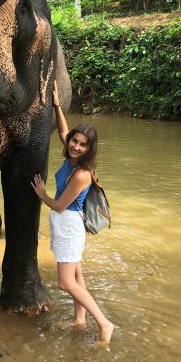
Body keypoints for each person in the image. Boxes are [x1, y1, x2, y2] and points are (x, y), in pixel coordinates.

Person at [31, 81, 114, 345]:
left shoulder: (81, 174)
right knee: (77, 276)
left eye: (82, 145)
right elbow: (64, 132)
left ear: (90, 149)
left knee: (66, 283)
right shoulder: (71, 157)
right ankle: (80, 320)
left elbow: (58, 205)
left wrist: (41, 192)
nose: (76, 146)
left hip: (68, 224)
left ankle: (104, 323)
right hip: (66, 224)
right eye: (75, 142)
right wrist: (56, 103)